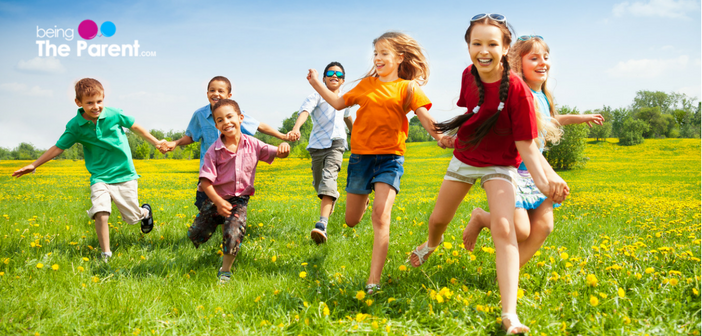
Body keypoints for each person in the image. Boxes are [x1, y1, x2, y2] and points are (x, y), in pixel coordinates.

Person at [406, 14, 568, 334]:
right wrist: (451, 136)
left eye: (492, 43)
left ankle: (510, 315)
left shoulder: (519, 91)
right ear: (468, 46)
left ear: (505, 48)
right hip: (465, 157)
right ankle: (431, 244)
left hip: (500, 165)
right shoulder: (469, 74)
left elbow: (526, 145)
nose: (484, 50)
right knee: (438, 219)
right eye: (476, 43)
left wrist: (546, 181)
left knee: (506, 228)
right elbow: (472, 111)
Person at [307, 32, 447, 294]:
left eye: (384, 53)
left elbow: (425, 117)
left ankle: (373, 281)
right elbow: (338, 103)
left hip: (390, 159)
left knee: (381, 217)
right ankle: (365, 196)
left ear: (400, 57)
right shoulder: (366, 84)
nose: (378, 58)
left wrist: (440, 137)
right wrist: (317, 83)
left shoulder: (408, 88)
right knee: (350, 220)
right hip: (361, 159)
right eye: (376, 54)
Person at [462, 35, 605, 269]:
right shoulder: (518, 93)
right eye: (534, 58)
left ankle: (508, 276)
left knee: (544, 226)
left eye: (546, 58)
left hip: (536, 169)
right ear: (518, 63)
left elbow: (549, 120)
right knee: (519, 230)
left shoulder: (543, 96)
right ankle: (481, 217)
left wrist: (581, 118)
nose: (543, 63)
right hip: (514, 169)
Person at [12, 78, 163, 261]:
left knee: (132, 218)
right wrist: (34, 164)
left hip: (124, 174)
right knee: (101, 212)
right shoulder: (76, 126)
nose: (96, 107)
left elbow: (136, 127)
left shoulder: (114, 114)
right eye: (89, 103)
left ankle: (145, 212)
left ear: (103, 99)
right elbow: (58, 147)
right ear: (79, 103)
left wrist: (156, 143)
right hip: (99, 177)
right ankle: (105, 254)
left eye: (99, 102)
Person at [187, 99, 290, 284]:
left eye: (229, 117)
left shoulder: (253, 144)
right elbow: (205, 181)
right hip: (215, 200)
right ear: (216, 125)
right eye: (220, 120)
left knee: (234, 231)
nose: (226, 122)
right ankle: (215, 225)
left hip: (239, 200)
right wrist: (218, 202)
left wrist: (284, 149)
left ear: (240, 118)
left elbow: (276, 152)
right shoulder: (214, 151)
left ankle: (225, 271)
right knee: (196, 234)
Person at [160, 76, 290, 210]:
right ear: (207, 94)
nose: (216, 94)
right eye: (212, 90)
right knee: (206, 211)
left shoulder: (233, 114)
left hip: (229, 175)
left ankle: (225, 230)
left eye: (220, 91)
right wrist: (175, 143)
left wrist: (282, 136)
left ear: (229, 95)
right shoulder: (199, 115)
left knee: (228, 210)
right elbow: (191, 136)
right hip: (209, 174)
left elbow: (258, 125)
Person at [287, 61, 353, 244]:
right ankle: (333, 196)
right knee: (319, 185)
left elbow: (347, 116)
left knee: (329, 178)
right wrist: (296, 128)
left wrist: (355, 134)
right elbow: (305, 111)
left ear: (343, 81)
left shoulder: (345, 98)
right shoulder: (316, 96)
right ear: (323, 79)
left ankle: (322, 224)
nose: (335, 76)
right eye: (331, 73)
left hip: (337, 143)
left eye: (339, 75)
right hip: (317, 145)